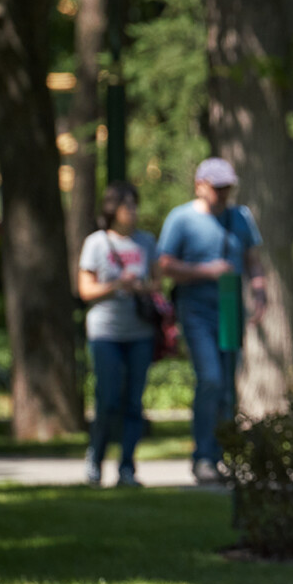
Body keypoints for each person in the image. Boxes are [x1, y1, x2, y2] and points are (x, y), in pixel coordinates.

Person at [158, 157, 265, 484]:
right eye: (217, 187)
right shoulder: (181, 219)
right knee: (210, 379)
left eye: (227, 187)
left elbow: (253, 261)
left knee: (228, 389)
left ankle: (222, 457)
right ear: (200, 185)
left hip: (230, 311)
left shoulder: (240, 217)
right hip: (196, 311)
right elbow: (163, 264)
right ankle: (203, 456)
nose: (222, 193)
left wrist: (260, 293)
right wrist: (205, 271)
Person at [78, 182, 159, 488]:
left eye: (136, 205)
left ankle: (127, 467)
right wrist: (116, 285)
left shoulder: (146, 242)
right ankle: (95, 461)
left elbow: (157, 283)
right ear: (113, 209)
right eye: (128, 206)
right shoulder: (96, 243)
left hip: (139, 332)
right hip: (105, 333)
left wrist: (141, 287)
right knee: (108, 400)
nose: (134, 212)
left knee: (134, 403)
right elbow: (85, 290)